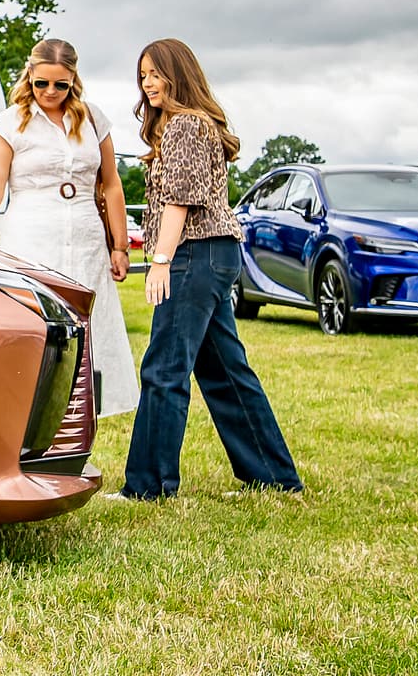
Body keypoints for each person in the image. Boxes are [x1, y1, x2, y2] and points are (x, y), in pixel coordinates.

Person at [119, 38, 302, 499]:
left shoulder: (184, 126)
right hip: (216, 253)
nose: (147, 83)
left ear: (178, 74)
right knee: (225, 370)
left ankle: (148, 486)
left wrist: (160, 261)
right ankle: (274, 478)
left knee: (164, 369)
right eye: (143, 75)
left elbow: (180, 199)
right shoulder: (195, 125)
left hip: (194, 252)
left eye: (155, 74)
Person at [0, 39, 138, 417]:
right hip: (32, 237)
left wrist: (119, 245)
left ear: (74, 81)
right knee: (40, 333)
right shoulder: (6, 124)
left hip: (87, 238)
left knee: (90, 338)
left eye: (61, 85)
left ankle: (82, 430)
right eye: (42, 84)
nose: (50, 92)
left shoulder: (92, 119)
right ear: (30, 76)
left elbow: (112, 183)